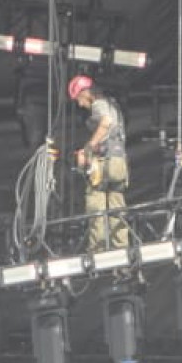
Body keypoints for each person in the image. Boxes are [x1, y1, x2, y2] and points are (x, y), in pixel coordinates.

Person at [68, 74, 129, 248]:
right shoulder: (113, 105)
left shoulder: (99, 104)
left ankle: (98, 251)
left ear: (86, 93)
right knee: (117, 207)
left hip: (105, 163)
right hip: (119, 162)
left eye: (79, 99)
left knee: (96, 205)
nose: (80, 104)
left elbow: (105, 123)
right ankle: (121, 248)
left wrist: (88, 148)